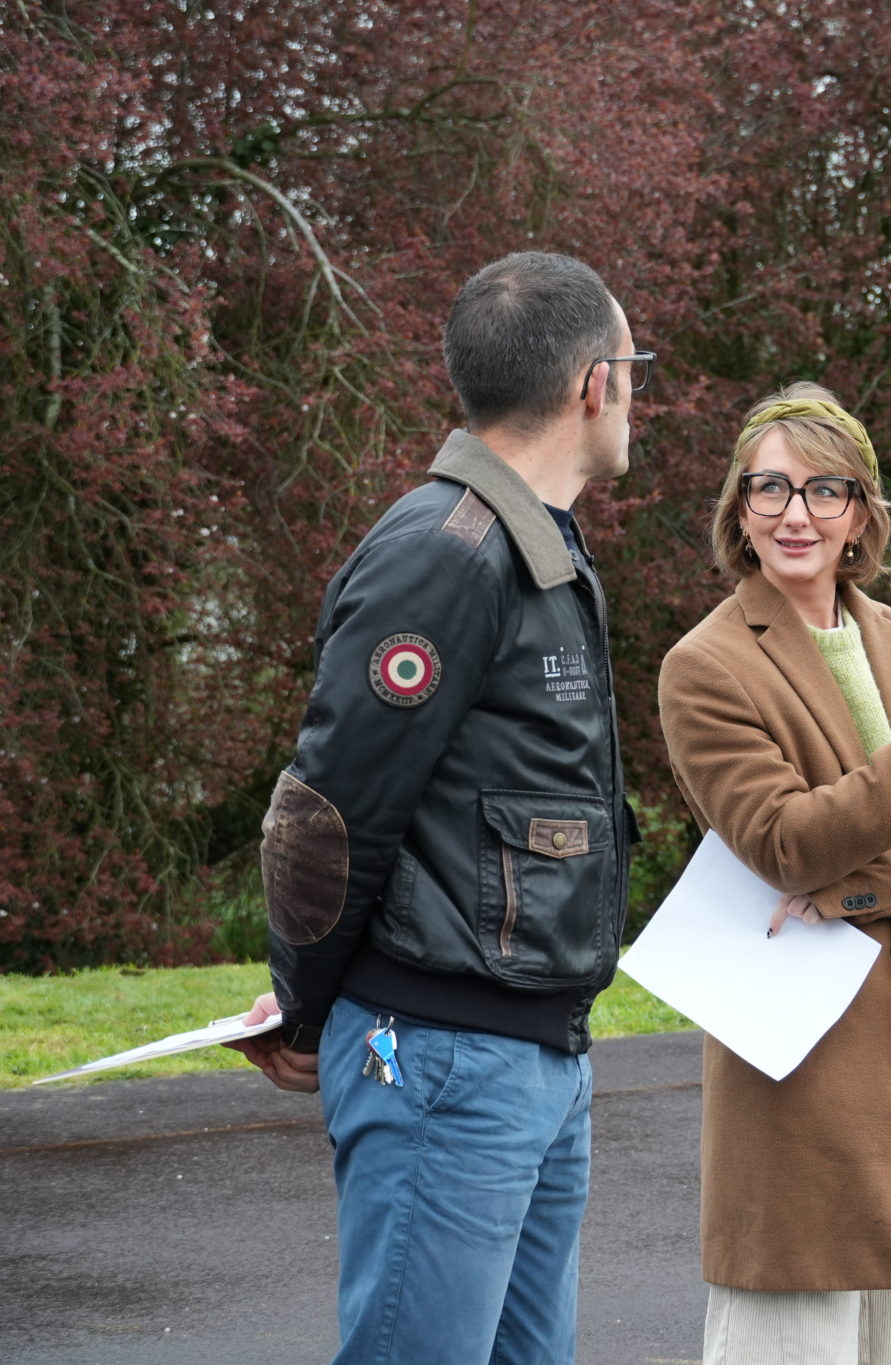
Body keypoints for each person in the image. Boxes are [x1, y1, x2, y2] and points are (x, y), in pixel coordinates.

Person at [224, 251, 650, 1365]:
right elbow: (325, 816)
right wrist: (305, 1007)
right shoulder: (445, 553)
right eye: (634, 367)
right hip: (444, 1059)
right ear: (593, 384)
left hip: (533, 1055)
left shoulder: (536, 543)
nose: (634, 394)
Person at [658, 382, 891, 1364]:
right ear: (739, 509)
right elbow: (786, 841)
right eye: (771, 488)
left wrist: (840, 896)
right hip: (802, 1071)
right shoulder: (704, 666)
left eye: (825, 490)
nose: (797, 513)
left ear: (860, 513)